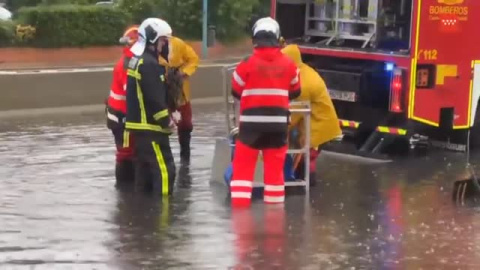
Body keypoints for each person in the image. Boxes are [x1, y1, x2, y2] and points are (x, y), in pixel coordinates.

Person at [229, 17, 301, 207]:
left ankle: (240, 221)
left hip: (250, 127)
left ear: (255, 38)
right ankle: (274, 222)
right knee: (275, 174)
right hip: (278, 126)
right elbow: (296, 91)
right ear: (277, 38)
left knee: (243, 173)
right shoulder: (289, 64)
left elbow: (235, 90)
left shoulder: (246, 63)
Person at [125, 18, 176, 195]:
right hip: (151, 129)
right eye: (163, 40)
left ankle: (142, 215)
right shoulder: (149, 64)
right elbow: (154, 98)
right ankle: (163, 215)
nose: (165, 45)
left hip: (140, 128)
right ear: (154, 40)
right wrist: (167, 120)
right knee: (164, 172)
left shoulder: (137, 61)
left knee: (144, 175)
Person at [281, 44, 341, 186]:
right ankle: (304, 185)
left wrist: (279, 128)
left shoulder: (304, 83)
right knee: (305, 157)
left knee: (308, 158)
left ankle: (306, 190)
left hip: (318, 126)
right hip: (317, 122)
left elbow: (294, 114)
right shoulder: (303, 71)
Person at [157, 26, 199, 164]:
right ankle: (163, 157)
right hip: (160, 92)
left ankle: (185, 156)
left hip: (180, 92)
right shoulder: (149, 50)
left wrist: (183, 73)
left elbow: (193, 59)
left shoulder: (178, 44)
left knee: (186, 124)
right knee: (160, 124)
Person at [105, 25, 139, 188]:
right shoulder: (128, 64)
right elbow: (132, 93)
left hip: (119, 115)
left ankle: (126, 193)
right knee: (125, 153)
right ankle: (124, 190)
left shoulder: (129, 61)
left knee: (128, 151)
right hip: (121, 117)